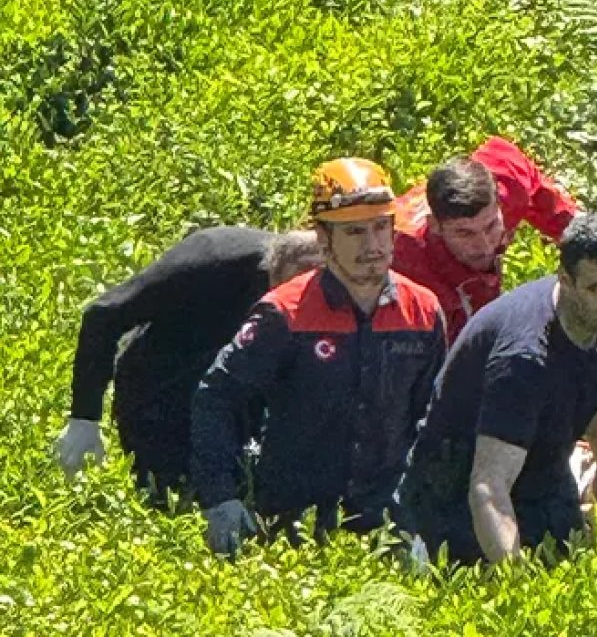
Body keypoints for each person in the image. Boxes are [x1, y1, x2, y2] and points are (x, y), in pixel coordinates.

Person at [190, 158, 449, 556]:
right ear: (324, 239)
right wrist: (220, 498)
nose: (372, 245)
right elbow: (216, 398)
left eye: (381, 227)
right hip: (292, 526)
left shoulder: (423, 310)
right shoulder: (285, 312)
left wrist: (424, 515)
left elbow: (432, 423)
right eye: (355, 231)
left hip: (387, 524)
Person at [397, 213, 597, 564]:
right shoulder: (524, 358)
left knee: (573, 574)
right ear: (566, 281)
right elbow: (488, 487)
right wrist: (516, 591)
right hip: (456, 487)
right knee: (490, 592)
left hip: (543, 466)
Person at [53, 226, 322, 503]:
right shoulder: (211, 260)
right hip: (163, 384)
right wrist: (84, 419)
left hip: (238, 394)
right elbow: (104, 314)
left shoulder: (341, 289)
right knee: (174, 494)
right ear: (280, 271)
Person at [393, 137, 579, 340]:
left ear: (500, 202)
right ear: (435, 225)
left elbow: (552, 207)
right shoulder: (401, 256)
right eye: (465, 233)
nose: (485, 245)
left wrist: (586, 239)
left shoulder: (508, 177)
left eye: (491, 226)